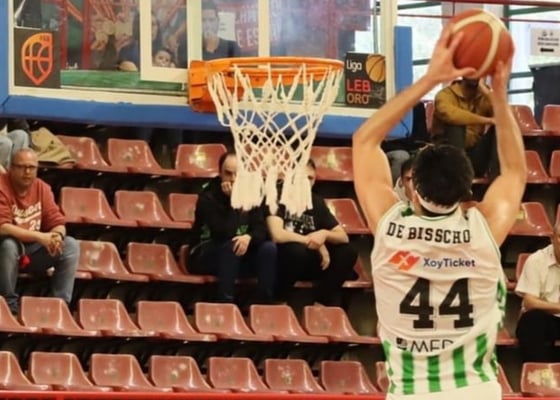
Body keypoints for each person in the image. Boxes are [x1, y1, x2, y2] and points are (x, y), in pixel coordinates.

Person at [352, 23, 526, 400]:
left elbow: (364, 141)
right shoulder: (484, 229)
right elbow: (514, 170)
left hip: (411, 392)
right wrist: (499, 94)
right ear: (468, 191)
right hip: (475, 390)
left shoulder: (389, 226)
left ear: (411, 187)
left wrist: (430, 79)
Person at [187, 151, 276, 304]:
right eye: (228, 174)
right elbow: (224, 233)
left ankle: (263, 303)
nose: (233, 179)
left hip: (238, 253)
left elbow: (261, 230)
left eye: (238, 174)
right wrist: (233, 202)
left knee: (268, 248)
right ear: (220, 173)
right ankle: (225, 303)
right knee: (232, 245)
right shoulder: (208, 197)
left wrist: (249, 237)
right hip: (204, 254)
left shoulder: (252, 194)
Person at [266, 159, 357, 306]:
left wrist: (324, 234)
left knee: (348, 251)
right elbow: (277, 235)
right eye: (302, 178)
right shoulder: (276, 197)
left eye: (310, 178)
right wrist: (313, 242)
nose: (307, 183)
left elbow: (343, 237)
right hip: (284, 260)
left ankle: (321, 303)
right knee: (296, 251)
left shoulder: (316, 202)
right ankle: (279, 300)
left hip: (311, 260)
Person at [0, 149, 79, 314]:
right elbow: (3, 227)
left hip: (32, 252)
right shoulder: (1, 185)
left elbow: (57, 222)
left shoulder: (42, 188)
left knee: (70, 245)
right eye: (22, 167)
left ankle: (60, 307)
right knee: (8, 245)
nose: (27, 172)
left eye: (31, 167)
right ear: (11, 168)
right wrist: (40, 236)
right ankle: (8, 306)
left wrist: (56, 236)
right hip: (6, 251)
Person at [432, 77, 499, 179]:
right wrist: (487, 120)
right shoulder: (445, 95)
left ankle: (498, 181)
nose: (475, 74)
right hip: (446, 158)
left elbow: (505, 118)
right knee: (456, 125)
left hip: (474, 156)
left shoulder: (484, 95)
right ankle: (457, 178)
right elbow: (451, 115)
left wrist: (487, 93)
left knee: (500, 128)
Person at [515, 221, 560, 363]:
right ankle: (539, 372)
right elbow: (530, 302)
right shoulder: (537, 260)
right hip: (544, 318)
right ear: (552, 238)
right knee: (532, 320)